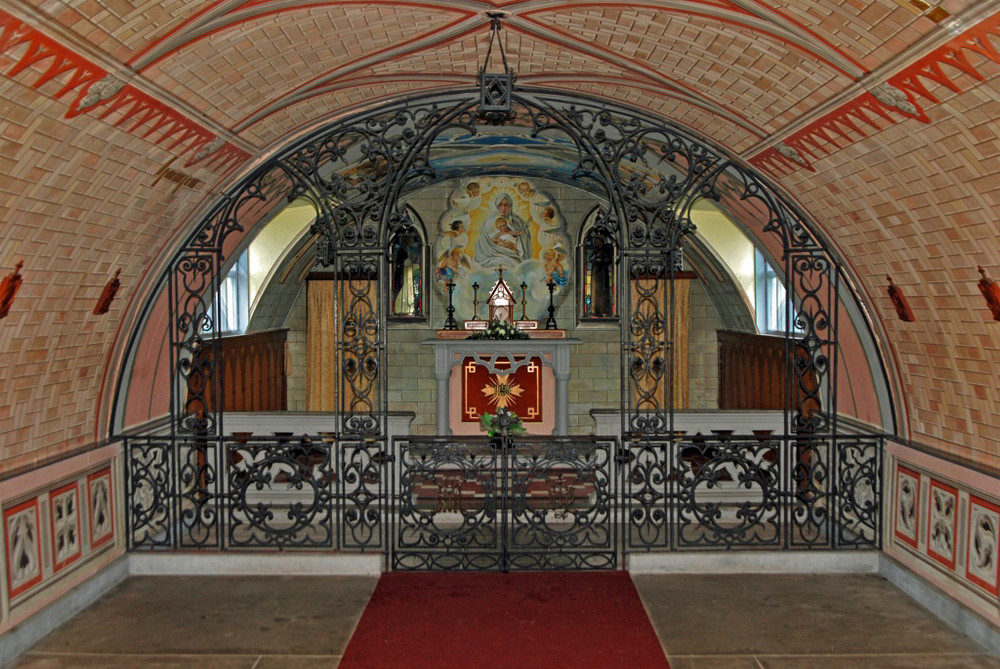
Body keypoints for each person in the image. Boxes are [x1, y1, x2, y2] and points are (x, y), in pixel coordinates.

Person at [475, 193, 531, 268]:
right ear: (496, 206)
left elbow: (524, 241)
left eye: (506, 205)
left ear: (510, 206)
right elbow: (484, 243)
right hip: (493, 255)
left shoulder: (518, 221)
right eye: (500, 205)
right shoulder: (488, 222)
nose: (503, 208)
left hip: (513, 254)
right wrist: (498, 244)